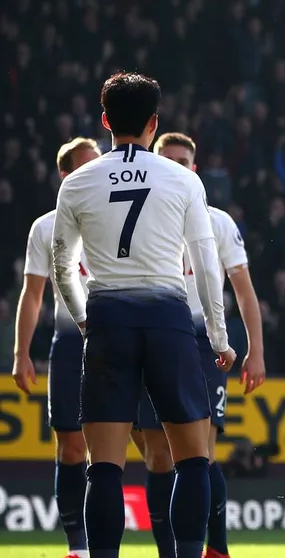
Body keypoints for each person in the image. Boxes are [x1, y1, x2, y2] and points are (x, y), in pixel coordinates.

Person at [51, 72, 235, 558]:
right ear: (154, 123)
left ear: (105, 120)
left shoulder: (77, 182)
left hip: (108, 315)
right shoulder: (183, 179)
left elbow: (62, 265)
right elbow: (205, 261)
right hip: (169, 319)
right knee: (193, 458)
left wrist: (84, 317)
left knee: (104, 467)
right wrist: (219, 337)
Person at [129, 132, 266, 558]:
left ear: (194, 167)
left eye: (183, 160)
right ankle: (167, 552)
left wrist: (256, 348)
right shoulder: (138, 218)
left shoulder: (218, 221)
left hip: (203, 342)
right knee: (156, 457)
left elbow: (243, 290)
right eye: (167, 159)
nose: (177, 166)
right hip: (150, 337)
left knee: (201, 452)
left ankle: (217, 549)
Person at [11, 137, 101, 558]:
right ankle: (78, 547)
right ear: (64, 176)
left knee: (142, 442)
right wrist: (21, 352)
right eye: (85, 167)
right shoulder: (45, 227)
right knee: (71, 446)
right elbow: (32, 296)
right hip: (70, 342)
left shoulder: (120, 218)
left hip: (121, 337)